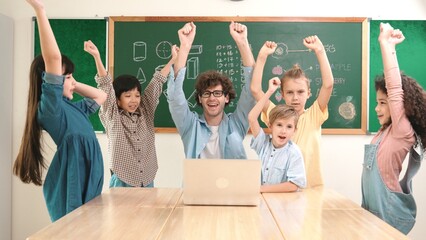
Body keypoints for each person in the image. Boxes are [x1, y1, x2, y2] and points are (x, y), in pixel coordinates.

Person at [13, 0, 107, 222]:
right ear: (49, 82)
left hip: (89, 182)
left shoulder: (73, 108)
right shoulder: (51, 110)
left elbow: (101, 96)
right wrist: (40, 10)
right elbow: (53, 58)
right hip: (71, 182)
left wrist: (72, 83)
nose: (73, 82)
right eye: (67, 78)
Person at [361, 23, 426, 234]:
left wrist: (385, 44)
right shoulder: (385, 131)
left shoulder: (402, 130)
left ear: (400, 105)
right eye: (377, 102)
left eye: (382, 102)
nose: (376, 108)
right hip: (372, 210)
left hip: (387, 212)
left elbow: (395, 87)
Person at [89, 40, 178, 188]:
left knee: (149, 212)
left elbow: (157, 82)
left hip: (147, 178)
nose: (134, 100)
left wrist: (173, 60)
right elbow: (105, 85)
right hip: (123, 178)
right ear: (118, 100)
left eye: (137, 95)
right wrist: (97, 56)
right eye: (128, 95)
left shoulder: (146, 111)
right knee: (120, 212)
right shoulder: (112, 115)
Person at [251, 37, 334, 188]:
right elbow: (255, 90)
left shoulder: (314, 115)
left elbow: (328, 85)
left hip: (311, 189)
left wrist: (320, 51)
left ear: (309, 93)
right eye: (289, 92)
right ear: (282, 94)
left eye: (300, 92)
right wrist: (262, 56)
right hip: (279, 190)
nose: (295, 98)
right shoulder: (276, 114)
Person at [167, 21, 256, 159]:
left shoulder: (237, 123)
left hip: (233, 180)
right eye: (206, 93)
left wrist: (242, 42)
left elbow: (252, 89)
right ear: (199, 98)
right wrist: (185, 45)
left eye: (218, 93)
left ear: (226, 97)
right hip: (198, 181)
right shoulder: (190, 126)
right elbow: (175, 96)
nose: (212, 98)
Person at [249, 77, 306, 193]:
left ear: (294, 130)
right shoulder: (263, 144)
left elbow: (294, 185)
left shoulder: (294, 152)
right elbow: (251, 118)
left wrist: (261, 189)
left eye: (289, 127)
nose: (283, 131)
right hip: (263, 199)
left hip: (285, 203)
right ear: (270, 126)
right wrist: (269, 91)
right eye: (279, 125)